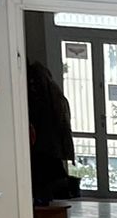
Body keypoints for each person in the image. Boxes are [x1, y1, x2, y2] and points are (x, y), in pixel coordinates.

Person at [28, 63, 81, 206]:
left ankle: (43, 203)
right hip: (53, 147)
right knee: (50, 177)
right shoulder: (56, 96)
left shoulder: (39, 98)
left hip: (43, 146)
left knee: (44, 178)